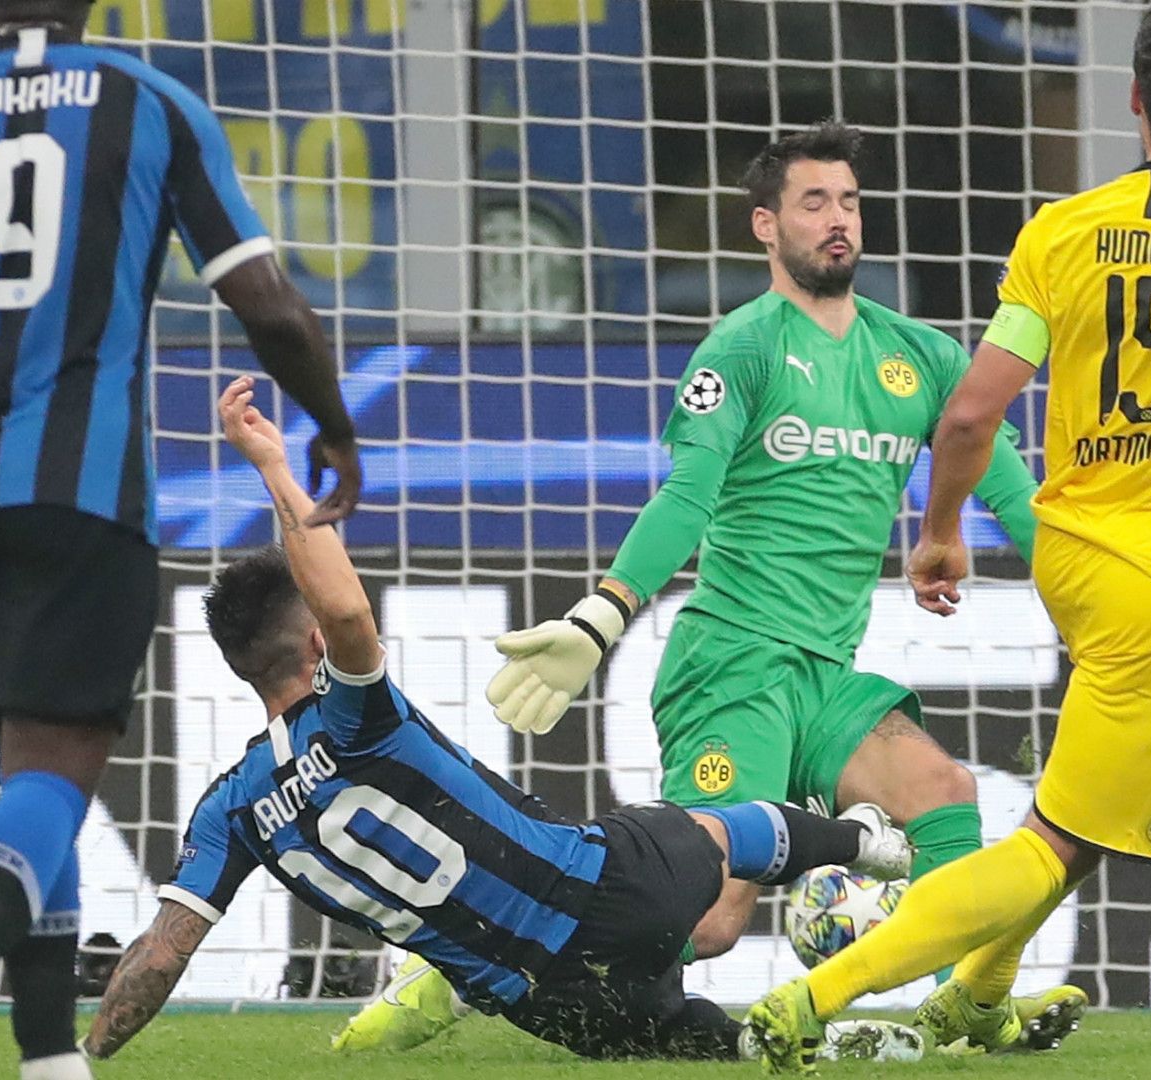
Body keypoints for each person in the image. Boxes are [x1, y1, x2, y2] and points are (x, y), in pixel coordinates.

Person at [333, 119, 1052, 1054]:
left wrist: (1092, 600)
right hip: (732, 665)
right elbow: (687, 497)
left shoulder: (921, 357)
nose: (838, 219)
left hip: (824, 676)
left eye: (848, 201)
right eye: (813, 203)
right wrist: (602, 615)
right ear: (766, 225)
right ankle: (467, 956)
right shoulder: (740, 350)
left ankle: (966, 1012)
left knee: (944, 794)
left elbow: (1014, 495)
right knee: (710, 918)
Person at [743, 1, 1151, 1071]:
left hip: (1073, 556)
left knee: (1082, 807)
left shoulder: (1060, 230)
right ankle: (812, 1001)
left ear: (1134, 101)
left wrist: (940, 530)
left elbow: (972, 413)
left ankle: (977, 998)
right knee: (1057, 841)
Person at [0, 3, 362, 1077]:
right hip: (88, 490)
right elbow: (271, 308)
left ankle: (49, 1056)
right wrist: (332, 424)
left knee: (32, 776)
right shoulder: (152, 105)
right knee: (56, 773)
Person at [80, 377, 921, 1066]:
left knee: (693, 1040)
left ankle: (827, 1049)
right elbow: (345, 611)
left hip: (539, 1002)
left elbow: (163, 953)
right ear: (314, 646)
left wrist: (83, 1055)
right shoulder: (354, 716)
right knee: (717, 829)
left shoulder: (231, 808)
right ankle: (870, 845)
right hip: (603, 892)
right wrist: (273, 465)